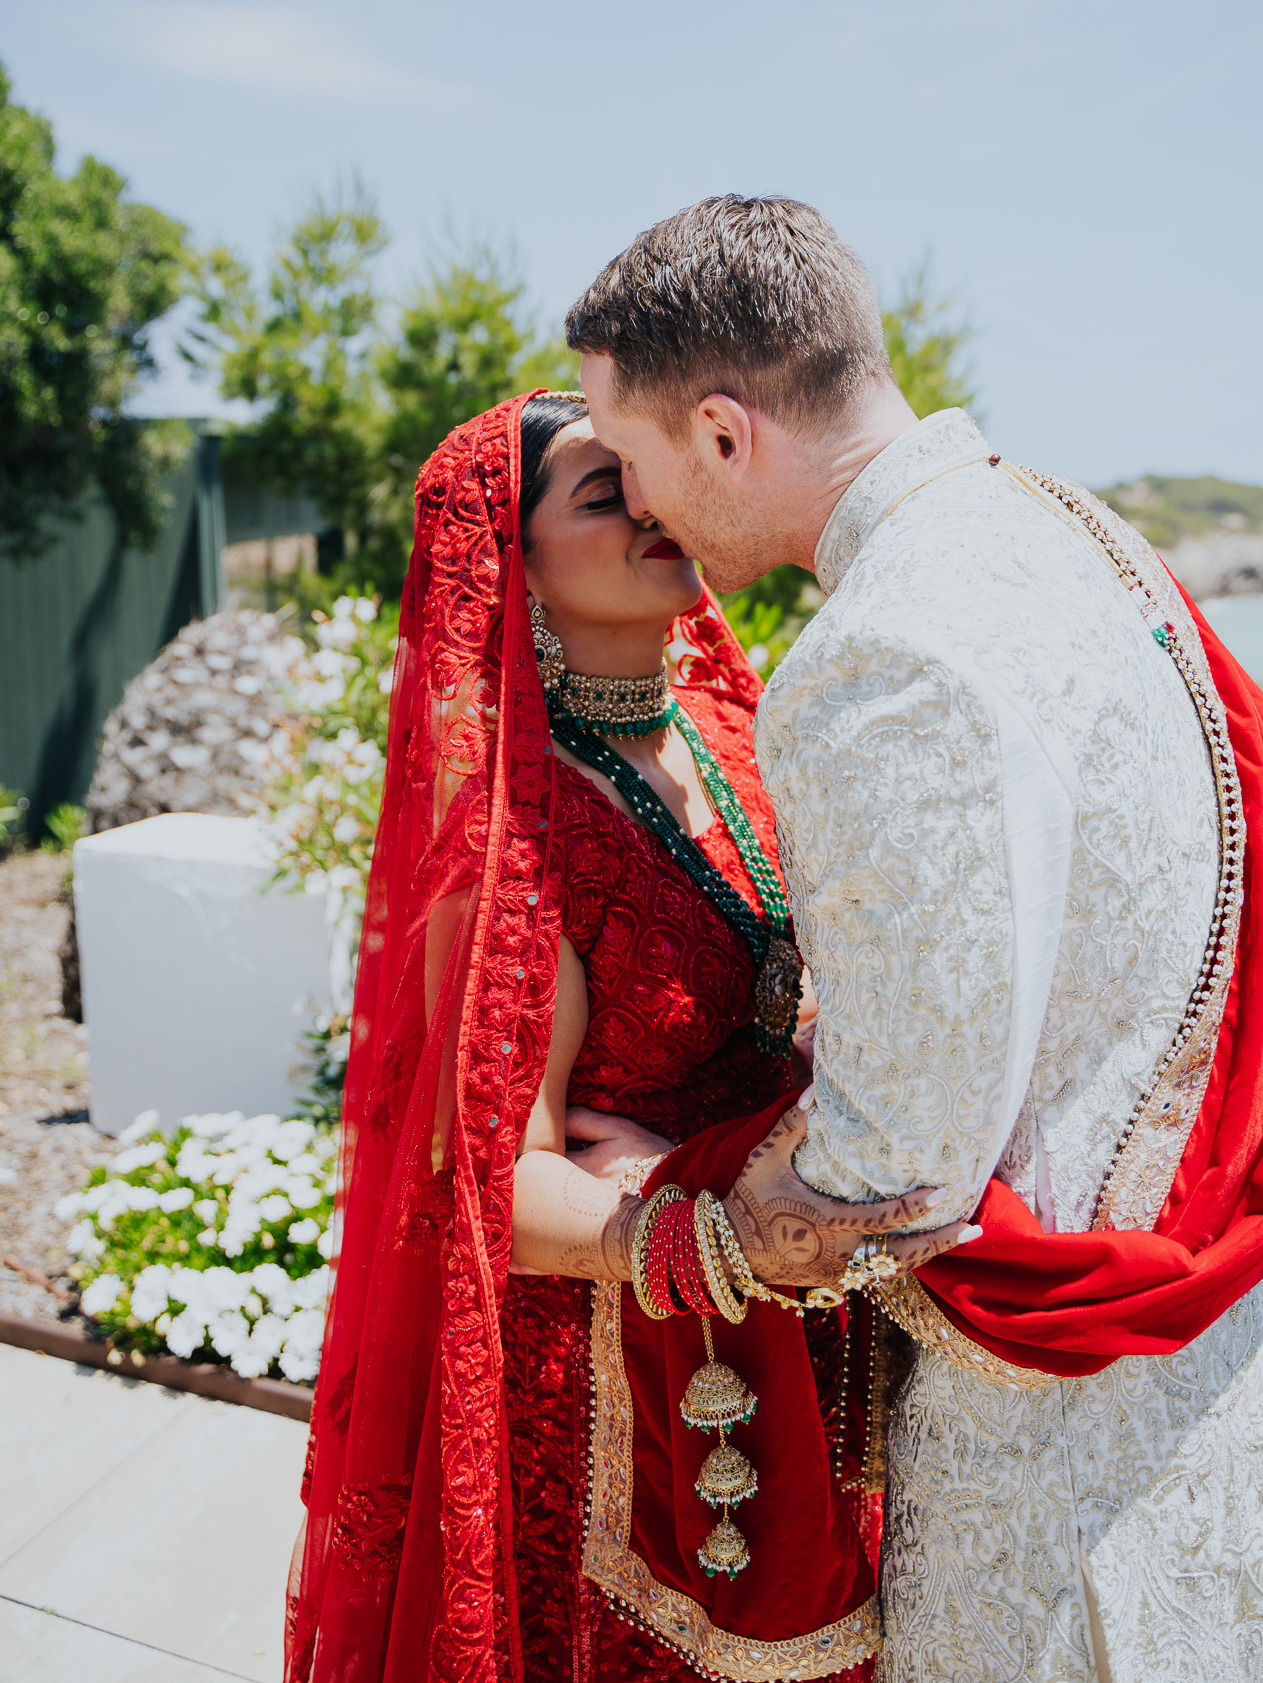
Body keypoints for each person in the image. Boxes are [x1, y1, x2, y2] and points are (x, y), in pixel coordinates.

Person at [567, 194, 1263, 1683]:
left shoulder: (878, 657)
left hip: (1070, 1482)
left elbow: (890, 1175)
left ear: (726, 432)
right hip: (1254, 1367)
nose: (635, 499)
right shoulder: (1078, 530)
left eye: (634, 457)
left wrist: (658, 1200)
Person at [285, 391, 963, 1683]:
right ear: (515, 568)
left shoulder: (729, 740)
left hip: (785, 1327)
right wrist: (701, 1228)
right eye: (605, 496)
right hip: (629, 1403)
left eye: (646, 482)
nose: (654, 511)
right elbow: (486, 1178)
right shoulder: (518, 840)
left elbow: (784, 995)